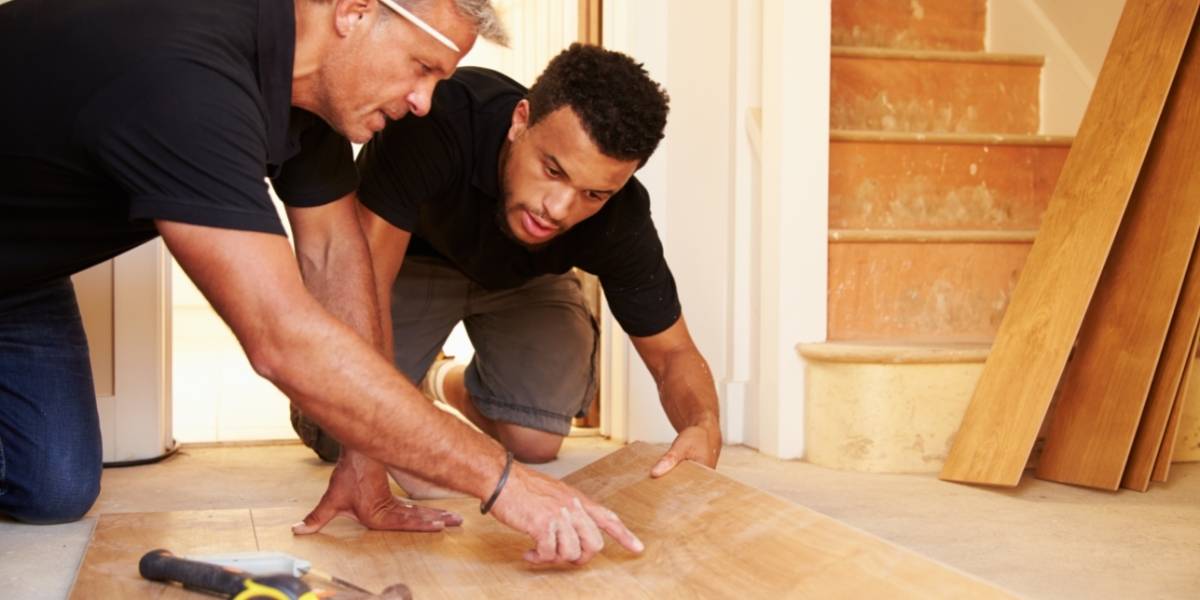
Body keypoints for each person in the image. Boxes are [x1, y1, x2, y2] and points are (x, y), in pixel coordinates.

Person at [0, 0, 642, 567]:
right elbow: (283, 337)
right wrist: (504, 482)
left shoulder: (302, 88)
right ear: (356, 10)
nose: (424, 102)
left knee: (55, 489)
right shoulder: (184, 74)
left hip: (25, 282)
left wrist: (364, 458)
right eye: (422, 67)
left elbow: (336, 253)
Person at [293, 43, 723, 498]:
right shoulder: (438, 122)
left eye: (593, 194)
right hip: (413, 262)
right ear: (521, 120)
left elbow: (673, 354)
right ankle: (402, 391)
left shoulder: (620, 216)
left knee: (533, 442)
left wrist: (703, 424)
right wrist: (406, 443)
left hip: (526, 280)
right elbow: (363, 287)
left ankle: (439, 380)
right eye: (552, 170)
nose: (558, 209)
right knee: (340, 434)